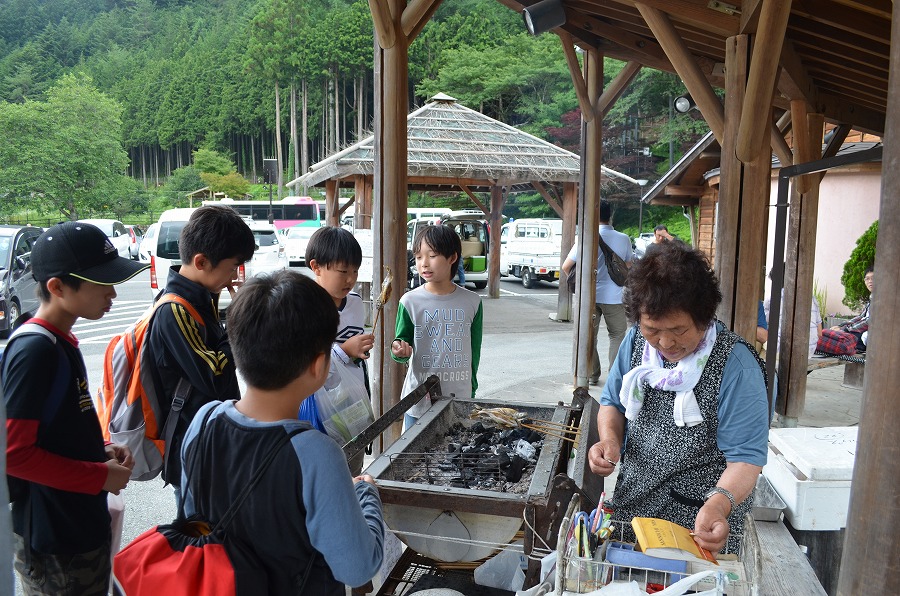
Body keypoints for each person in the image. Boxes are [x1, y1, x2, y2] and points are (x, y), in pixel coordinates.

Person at [180, 271, 385, 593]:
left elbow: (191, 522)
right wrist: (366, 494)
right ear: (320, 365)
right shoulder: (316, 453)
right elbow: (358, 567)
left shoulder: (203, 421)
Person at [587, 241, 769, 554]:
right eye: (652, 329)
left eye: (679, 329)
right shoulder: (635, 343)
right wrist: (610, 441)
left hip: (699, 522)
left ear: (704, 316)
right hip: (633, 509)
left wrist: (719, 505)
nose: (665, 342)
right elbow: (612, 403)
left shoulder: (735, 365)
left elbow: (746, 459)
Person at [3, 221, 147, 594]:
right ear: (57, 287)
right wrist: (98, 477)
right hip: (55, 543)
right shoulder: (35, 351)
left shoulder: (60, 341)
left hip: (75, 527)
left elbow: (51, 436)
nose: (113, 292)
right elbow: (13, 454)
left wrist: (97, 453)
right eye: (101, 283)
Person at [146, 205, 256, 489]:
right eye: (232, 267)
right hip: (194, 448)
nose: (233, 276)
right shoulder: (175, 310)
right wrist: (240, 318)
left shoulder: (201, 296)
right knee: (201, 530)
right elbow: (215, 375)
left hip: (209, 440)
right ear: (201, 261)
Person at [391, 225, 483, 429]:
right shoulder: (409, 301)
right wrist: (399, 350)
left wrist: (472, 388)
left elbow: (474, 351)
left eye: (432, 255)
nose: (424, 264)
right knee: (414, 458)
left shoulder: (472, 301)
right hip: (419, 399)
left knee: (454, 455)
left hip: (458, 397)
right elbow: (400, 342)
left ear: (452, 258)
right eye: (418, 257)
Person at [300, 226, 374, 473]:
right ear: (316, 266)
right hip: (316, 410)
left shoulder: (354, 304)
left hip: (349, 404)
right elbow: (300, 360)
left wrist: (359, 351)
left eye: (355, 271)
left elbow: (352, 359)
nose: (350, 279)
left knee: (352, 467)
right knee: (323, 471)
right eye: (343, 271)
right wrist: (343, 351)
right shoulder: (301, 306)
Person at [561, 200, 633, 385]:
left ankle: (592, 375)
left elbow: (566, 266)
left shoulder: (584, 237)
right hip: (615, 296)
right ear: (610, 215)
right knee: (617, 334)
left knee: (588, 335)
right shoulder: (623, 238)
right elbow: (628, 267)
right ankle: (614, 378)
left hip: (588, 297)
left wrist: (581, 283)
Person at [816, 266, 873, 355]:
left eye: (873, 278)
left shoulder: (882, 299)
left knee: (834, 339)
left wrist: (846, 329)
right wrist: (841, 325)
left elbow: (870, 321)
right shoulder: (872, 298)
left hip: (869, 335)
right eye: (867, 279)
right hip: (859, 333)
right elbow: (861, 317)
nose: (870, 281)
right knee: (828, 334)